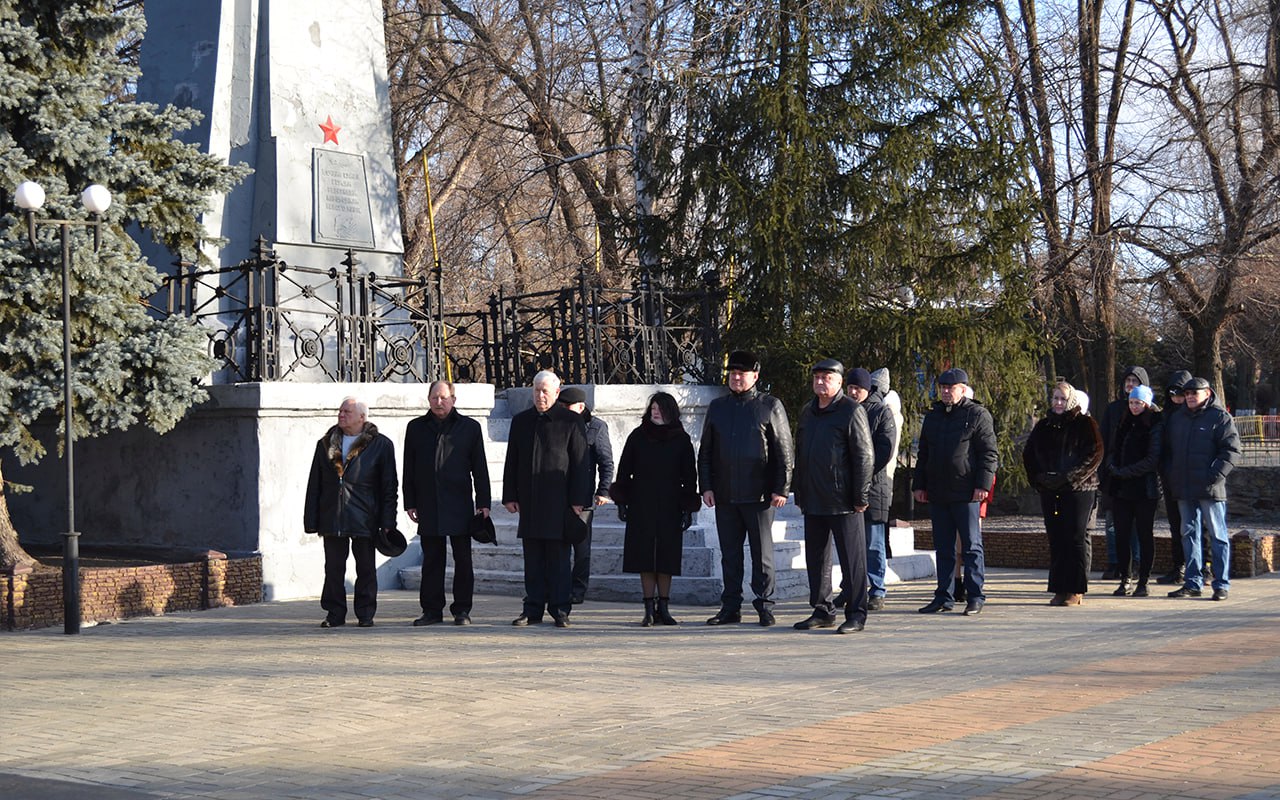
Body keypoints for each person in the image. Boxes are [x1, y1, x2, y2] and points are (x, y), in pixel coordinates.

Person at [698, 349, 794, 626]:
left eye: (742, 374)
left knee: (761, 554)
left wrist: (781, 488)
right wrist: (706, 486)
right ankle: (730, 607)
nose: (737, 378)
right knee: (730, 554)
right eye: (733, 373)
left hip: (760, 495)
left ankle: (764, 605)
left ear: (755, 376)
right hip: (726, 494)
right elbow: (706, 452)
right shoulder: (718, 407)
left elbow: (784, 451)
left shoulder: (770, 406)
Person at [502, 370, 592, 627]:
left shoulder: (570, 421)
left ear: (556, 392)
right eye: (536, 390)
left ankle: (560, 608)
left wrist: (578, 500)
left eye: (545, 391)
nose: (540, 395)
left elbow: (580, 463)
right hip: (530, 501)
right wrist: (510, 495)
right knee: (533, 559)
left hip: (560, 502)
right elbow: (512, 461)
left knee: (559, 559)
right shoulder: (521, 421)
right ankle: (532, 609)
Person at [792, 359, 874, 634]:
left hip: (844, 500)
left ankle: (856, 613)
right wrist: (799, 490)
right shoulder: (808, 412)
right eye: (816, 377)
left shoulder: (851, 411)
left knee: (852, 560)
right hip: (814, 497)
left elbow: (864, 456)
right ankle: (822, 610)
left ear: (839, 382)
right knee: (816, 559)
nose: (820, 383)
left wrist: (860, 495)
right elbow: (800, 454)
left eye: (827, 378)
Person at [303, 397, 398, 628]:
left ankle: (365, 614)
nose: (341, 415)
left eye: (347, 411)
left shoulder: (380, 445)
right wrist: (311, 519)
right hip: (332, 516)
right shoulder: (326, 443)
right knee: (333, 568)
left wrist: (388, 520)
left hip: (365, 516)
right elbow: (315, 483)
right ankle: (334, 614)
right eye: (340, 411)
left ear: (362, 417)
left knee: (365, 568)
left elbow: (389, 486)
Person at [403, 380, 491, 626]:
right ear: (428, 400)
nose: (438, 403)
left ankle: (462, 610)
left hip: (459, 502)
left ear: (453, 399)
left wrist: (483, 502)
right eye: (434, 398)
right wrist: (410, 501)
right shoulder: (416, 427)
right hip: (428, 502)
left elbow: (480, 468)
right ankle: (431, 610)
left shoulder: (469, 428)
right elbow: (408, 467)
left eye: (443, 398)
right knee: (432, 559)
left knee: (463, 559)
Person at [609, 392, 700, 626]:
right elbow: (624, 470)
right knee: (645, 556)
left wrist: (688, 508)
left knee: (666, 557)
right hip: (642, 502)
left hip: (670, 504)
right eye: (653, 408)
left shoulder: (681, 439)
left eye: (659, 408)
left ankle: (665, 608)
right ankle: (648, 608)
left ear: (670, 411)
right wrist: (622, 501)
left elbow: (690, 476)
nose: (655, 412)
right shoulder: (638, 436)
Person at [913, 368, 998, 615]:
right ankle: (944, 596)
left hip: (966, 491)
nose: (947, 392)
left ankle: (975, 595)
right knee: (944, 547)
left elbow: (988, 453)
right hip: (938, 491)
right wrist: (919, 485)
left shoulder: (977, 415)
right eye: (943, 388)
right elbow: (924, 454)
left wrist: (983, 485)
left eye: (951, 388)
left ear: (963, 389)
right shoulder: (934, 416)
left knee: (971, 546)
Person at [1022, 381, 1104, 606]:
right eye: (1055, 398)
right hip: (1050, 490)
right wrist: (1039, 478)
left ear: (1071, 401)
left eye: (1062, 399)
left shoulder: (1085, 423)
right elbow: (1029, 455)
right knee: (1056, 538)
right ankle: (1059, 587)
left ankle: (1075, 589)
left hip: (1079, 490)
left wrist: (1069, 478)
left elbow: (1095, 454)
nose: (1058, 403)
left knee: (1075, 538)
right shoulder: (1044, 426)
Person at [1163, 377, 1241, 601]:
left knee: (1218, 536)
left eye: (1193, 393)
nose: (1189, 397)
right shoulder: (1178, 419)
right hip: (1184, 488)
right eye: (1186, 393)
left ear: (1207, 393)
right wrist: (1172, 475)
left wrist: (1213, 477)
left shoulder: (1220, 418)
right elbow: (1168, 452)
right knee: (1188, 535)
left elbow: (1231, 452)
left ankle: (1221, 584)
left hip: (1210, 489)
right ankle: (1193, 582)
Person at [835, 367, 896, 612]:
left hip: (873, 488)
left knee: (873, 543)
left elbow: (884, 450)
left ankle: (877, 589)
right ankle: (849, 587)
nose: (853, 391)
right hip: (844, 489)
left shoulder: (881, 413)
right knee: (849, 544)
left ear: (868, 389)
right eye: (850, 387)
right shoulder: (842, 410)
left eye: (858, 388)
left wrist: (859, 472)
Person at [556, 387, 614, 605]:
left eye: (567, 406)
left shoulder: (596, 427)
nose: (563, 410)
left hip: (584, 496)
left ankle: (578, 589)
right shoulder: (557, 423)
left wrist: (603, 490)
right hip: (559, 494)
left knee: (581, 547)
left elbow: (605, 460)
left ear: (581, 407)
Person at [1105, 385, 1162, 597]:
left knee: (1144, 534)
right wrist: (1112, 467)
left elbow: (1152, 459)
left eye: (1138, 403)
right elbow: (1113, 447)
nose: (1134, 406)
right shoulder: (1124, 421)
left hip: (1144, 489)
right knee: (1121, 534)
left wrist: (1126, 471)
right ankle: (1125, 577)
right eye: (1131, 402)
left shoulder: (1154, 424)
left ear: (1146, 403)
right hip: (1121, 488)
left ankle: (1144, 580)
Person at [1099, 366, 1150, 579]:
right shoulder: (1113, 409)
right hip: (1113, 474)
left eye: (1134, 381)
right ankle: (1115, 562)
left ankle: (1135, 563)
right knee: (1112, 523)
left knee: (1136, 524)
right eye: (1127, 380)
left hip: (1137, 476)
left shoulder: (1150, 416)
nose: (1130, 385)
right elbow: (1105, 439)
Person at [1156, 370, 1193, 585]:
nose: (1176, 399)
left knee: (1197, 525)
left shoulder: (1193, 415)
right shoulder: (1166, 415)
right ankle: (1178, 565)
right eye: (1173, 395)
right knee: (1175, 524)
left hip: (1191, 478)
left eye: (1180, 394)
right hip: (1171, 477)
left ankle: (1202, 567)